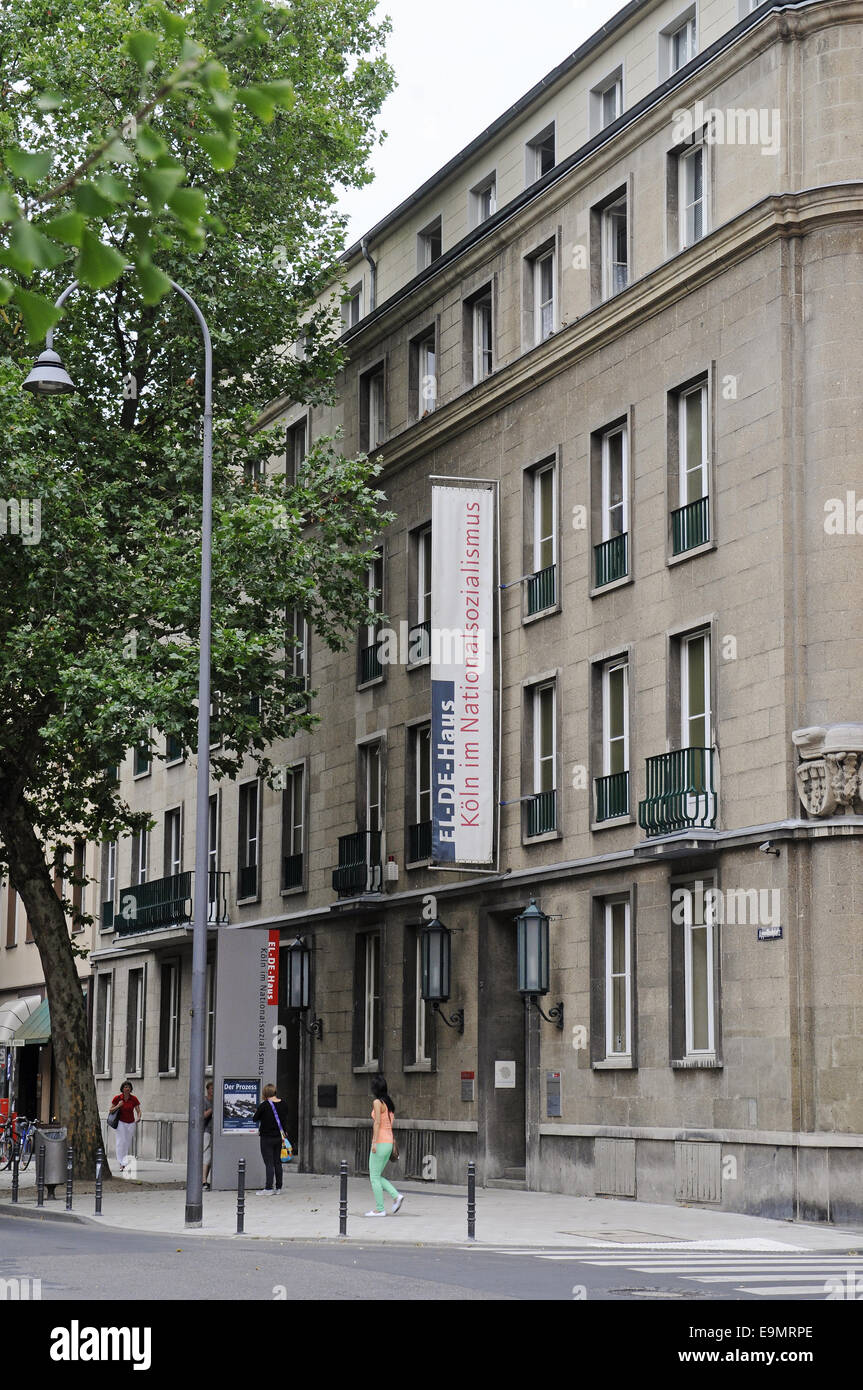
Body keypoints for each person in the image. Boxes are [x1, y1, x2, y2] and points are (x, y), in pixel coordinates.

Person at [365, 1073, 404, 1217]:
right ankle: (396, 1196)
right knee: (377, 1175)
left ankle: (380, 1209)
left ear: (375, 1088)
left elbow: (377, 1123)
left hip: (380, 1142)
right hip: (389, 1142)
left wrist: (374, 1142)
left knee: (374, 1177)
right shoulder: (389, 1104)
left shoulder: (377, 1102)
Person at [252, 1083, 290, 1195]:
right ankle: (279, 1188)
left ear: (265, 1093)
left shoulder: (264, 1105)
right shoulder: (283, 1104)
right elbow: (285, 1120)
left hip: (266, 1137)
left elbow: (255, 1118)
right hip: (279, 1138)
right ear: (274, 1092)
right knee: (278, 1162)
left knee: (269, 1163)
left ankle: (268, 1188)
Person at [108, 1081, 141, 1173]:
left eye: (129, 1087)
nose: (127, 1089)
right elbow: (110, 1110)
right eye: (125, 1087)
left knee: (126, 1142)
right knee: (120, 1142)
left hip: (131, 1123)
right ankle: (121, 1163)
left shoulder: (133, 1099)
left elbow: (138, 1110)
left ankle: (124, 1161)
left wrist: (138, 1117)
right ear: (122, 1088)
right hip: (121, 1123)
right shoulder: (117, 1098)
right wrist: (118, 1105)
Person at [202, 1080, 214, 1190]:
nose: (213, 1091)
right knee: (206, 1155)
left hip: (214, 1132)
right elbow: (203, 1116)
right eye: (211, 1089)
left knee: (210, 1158)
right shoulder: (204, 1101)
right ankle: (203, 1181)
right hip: (206, 1131)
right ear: (208, 1090)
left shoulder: (216, 1100)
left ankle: (205, 1179)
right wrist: (212, 1108)